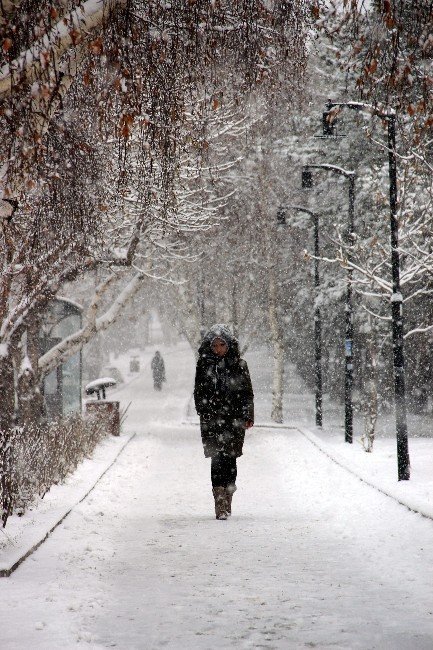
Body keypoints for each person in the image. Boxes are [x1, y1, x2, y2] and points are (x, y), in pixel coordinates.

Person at [194, 324, 254, 520]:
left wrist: (247, 415)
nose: (218, 349)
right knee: (217, 460)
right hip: (212, 421)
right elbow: (198, 392)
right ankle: (220, 502)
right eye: (215, 345)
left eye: (222, 345)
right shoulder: (204, 366)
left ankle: (228, 496)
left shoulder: (240, 365)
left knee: (230, 460)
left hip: (234, 420)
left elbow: (247, 393)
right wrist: (205, 410)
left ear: (229, 345)